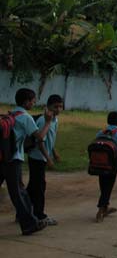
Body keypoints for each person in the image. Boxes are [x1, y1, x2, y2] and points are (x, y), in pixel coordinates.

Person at [0, 88, 54, 235]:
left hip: (2, 157)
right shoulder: (25, 117)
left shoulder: (11, 114)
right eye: (33, 100)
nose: (34, 102)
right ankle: (30, 224)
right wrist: (48, 122)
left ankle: (29, 221)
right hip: (13, 158)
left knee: (19, 190)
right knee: (18, 192)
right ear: (26, 102)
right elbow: (40, 136)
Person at [27, 94, 63, 226]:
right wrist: (48, 158)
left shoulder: (55, 120)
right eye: (55, 107)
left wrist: (54, 152)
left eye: (60, 106)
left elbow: (50, 139)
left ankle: (23, 213)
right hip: (37, 157)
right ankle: (40, 215)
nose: (58, 109)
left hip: (42, 157)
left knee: (33, 186)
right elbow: (39, 141)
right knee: (39, 188)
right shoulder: (44, 121)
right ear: (48, 107)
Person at [96, 111, 117, 223]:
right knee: (108, 187)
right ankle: (100, 210)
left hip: (100, 164)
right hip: (112, 164)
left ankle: (105, 207)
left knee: (103, 185)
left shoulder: (101, 132)